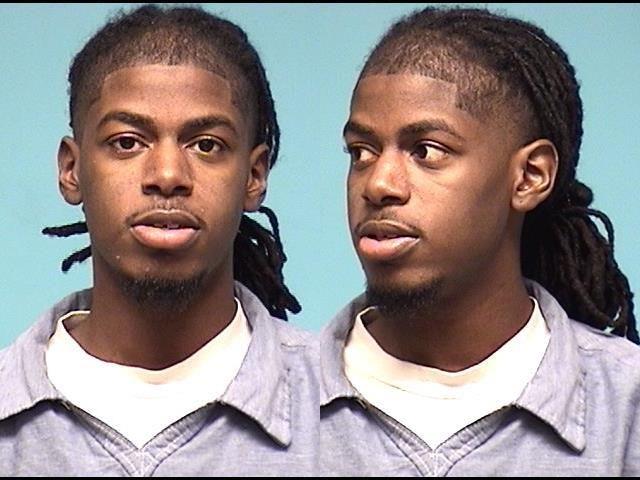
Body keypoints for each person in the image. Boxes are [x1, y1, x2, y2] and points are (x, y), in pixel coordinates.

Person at [319, 6, 639, 476]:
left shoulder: (626, 407)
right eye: (361, 152)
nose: (378, 184)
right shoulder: (266, 398)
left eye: (426, 150)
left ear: (530, 176)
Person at [0, 4, 318, 476]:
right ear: (71, 170)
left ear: (254, 176)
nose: (167, 175)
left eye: (206, 145)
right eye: (127, 142)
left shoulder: (343, 408)